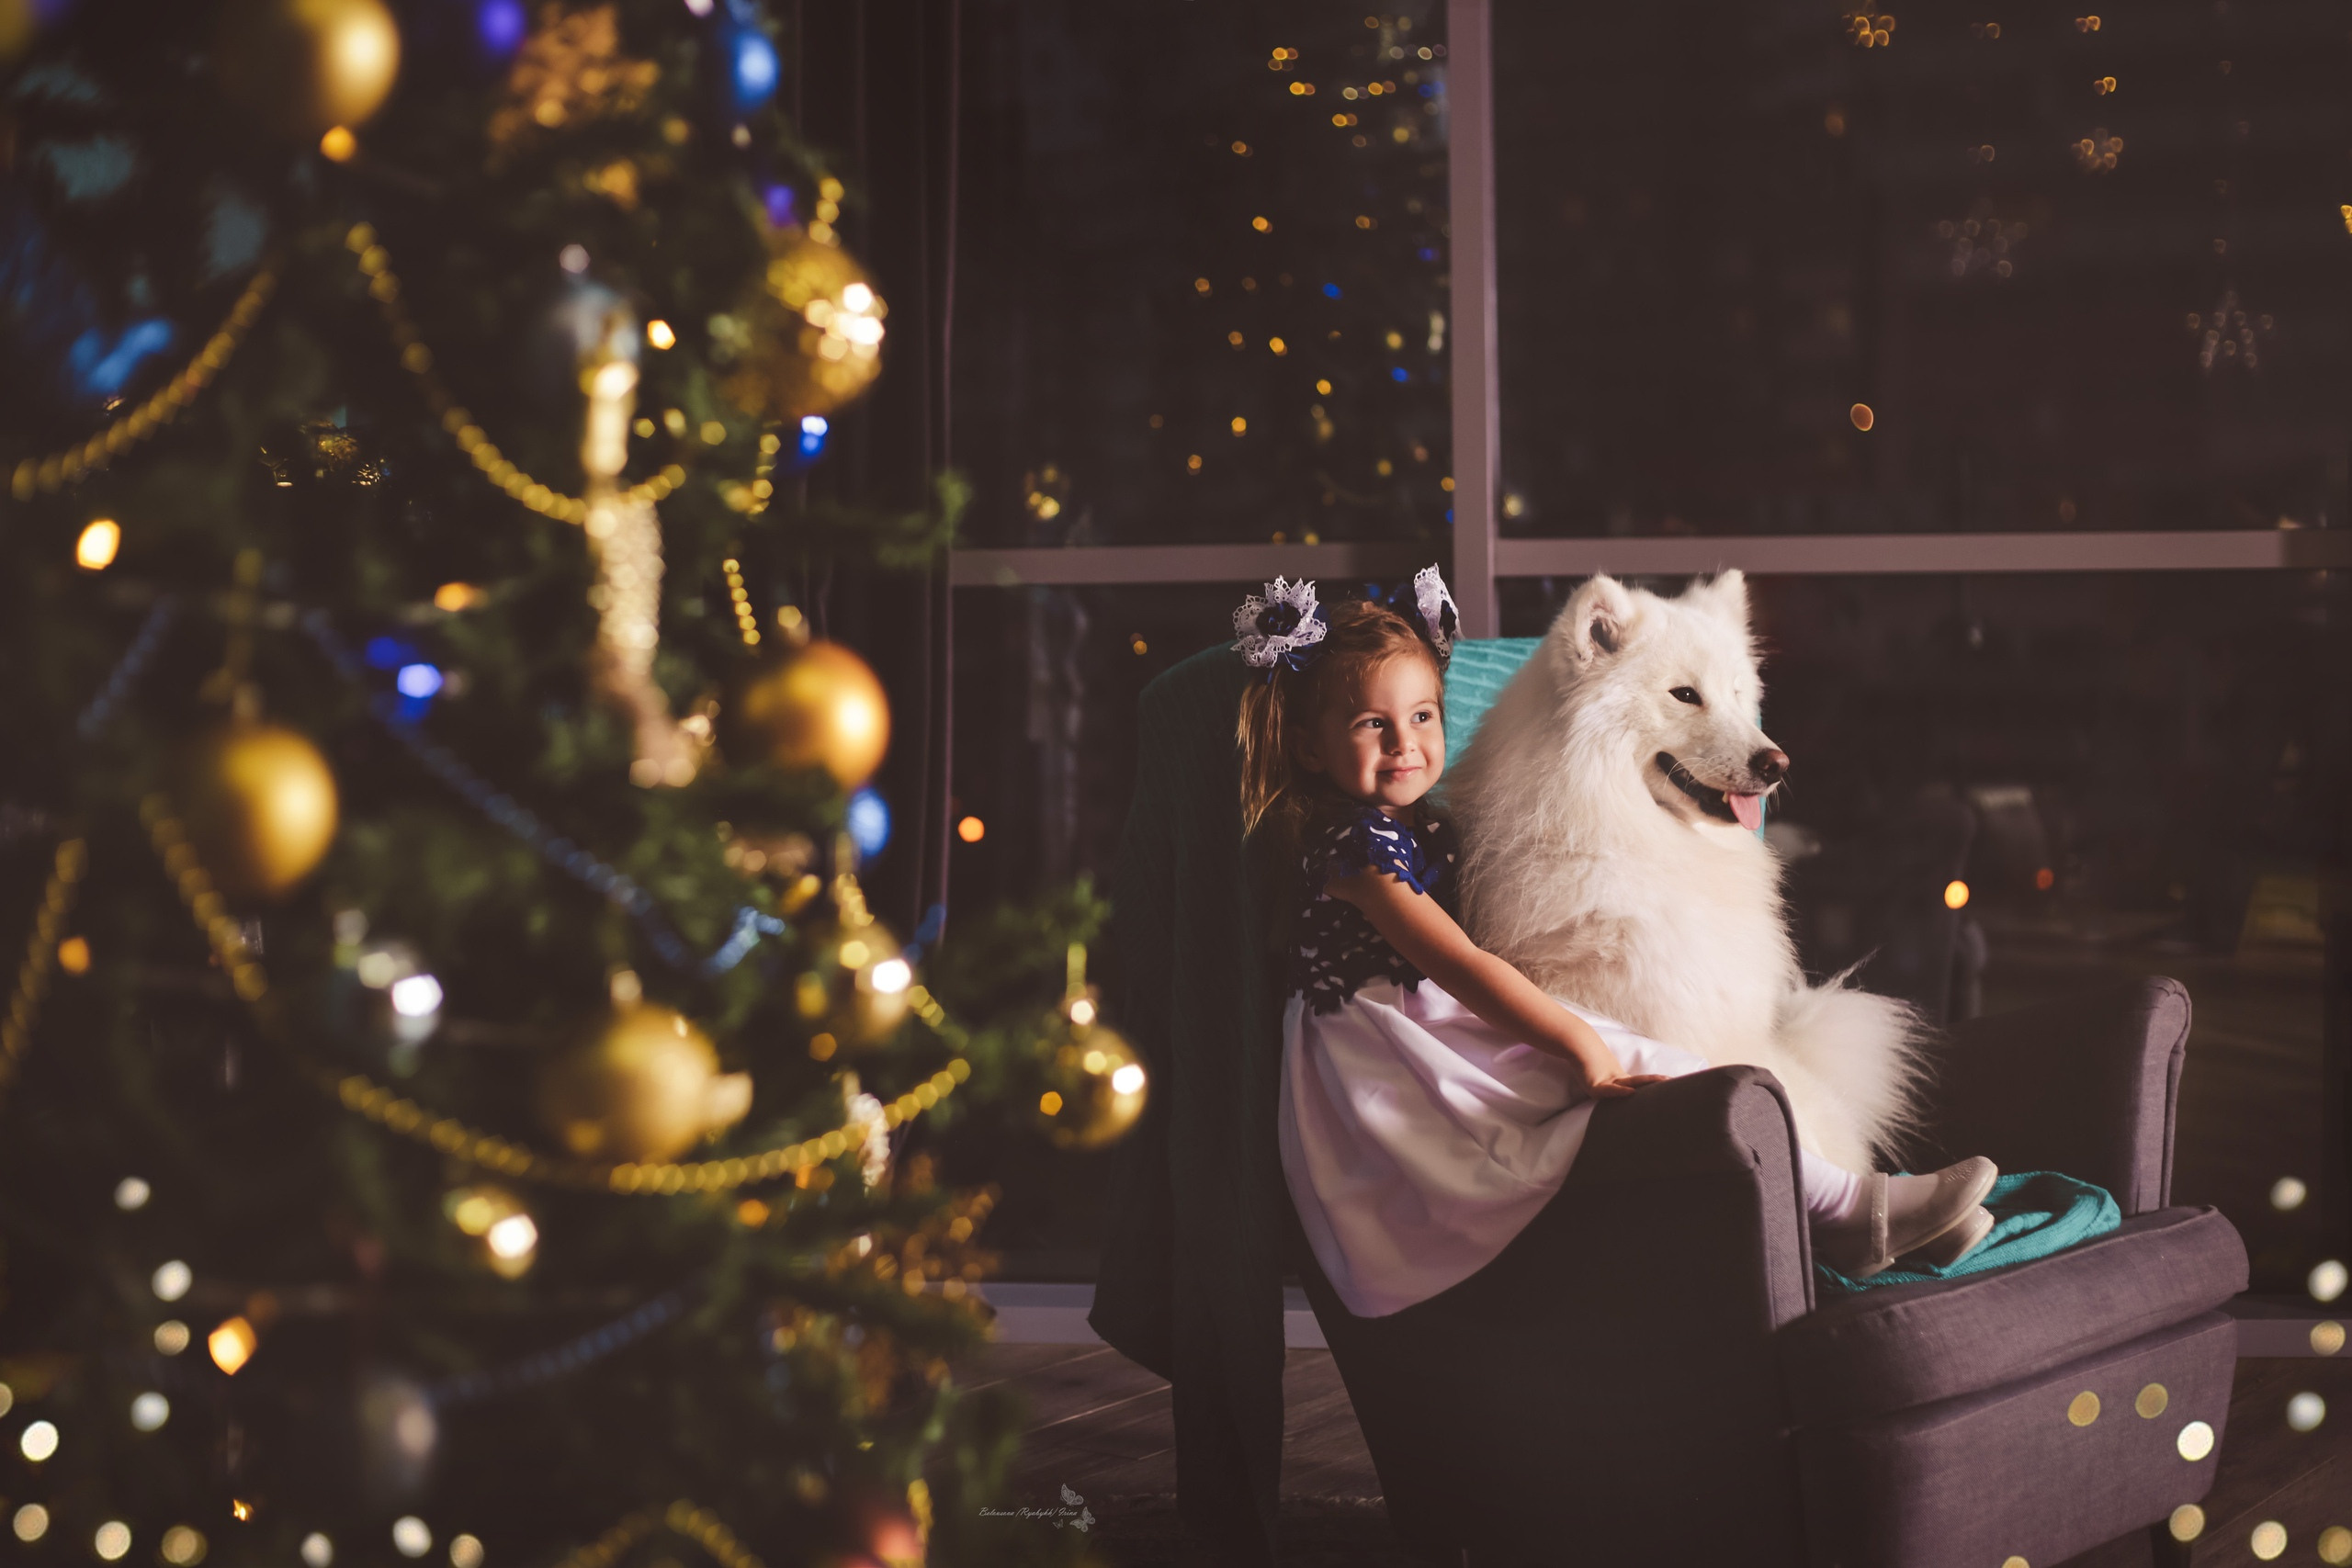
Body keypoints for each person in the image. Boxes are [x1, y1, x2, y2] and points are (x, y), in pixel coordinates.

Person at [1230, 567, 1996, 1316]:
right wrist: (1579, 1041)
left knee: (1685, 1068)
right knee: (1646, 1061)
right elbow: (1458, 963)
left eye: (1426, 716)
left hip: (1427, 1027)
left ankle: (1866, 1214)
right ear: (1308, 746)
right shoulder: (1358, 851)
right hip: (1397, 1052)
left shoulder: (1425, 825)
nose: (1757, 743)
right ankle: (1850, 1207)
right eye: (1686, 698)